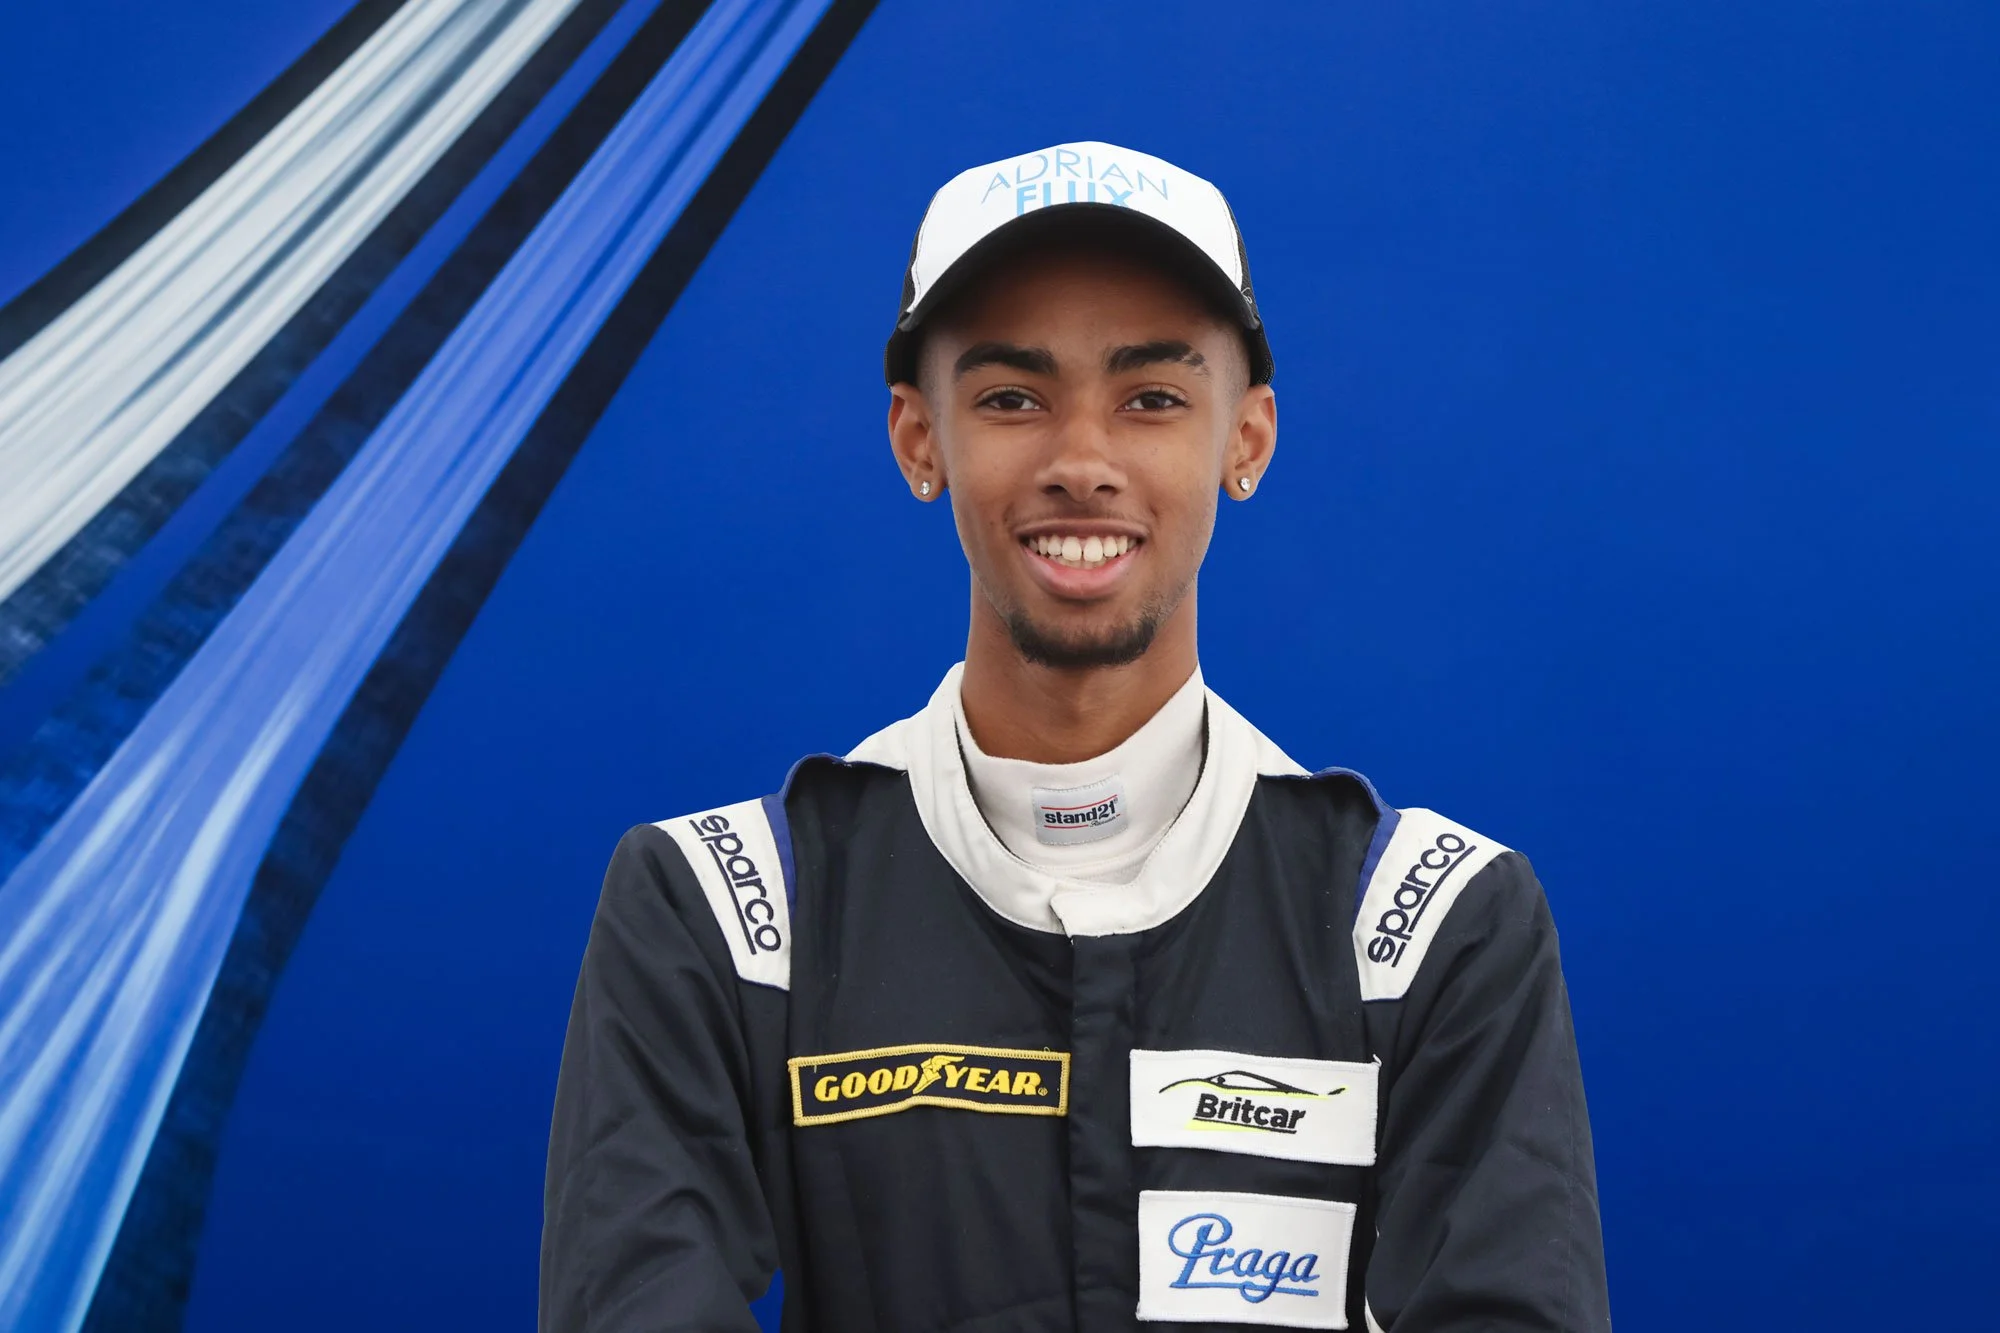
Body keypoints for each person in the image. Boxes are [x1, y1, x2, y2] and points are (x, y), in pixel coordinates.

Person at [539, 140, 1611, 1333]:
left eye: (1150, 397)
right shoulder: (729, 913)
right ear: (917, 438)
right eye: (1012, 397)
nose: (1082, 462)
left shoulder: (1426, 925)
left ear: (1244, 438)